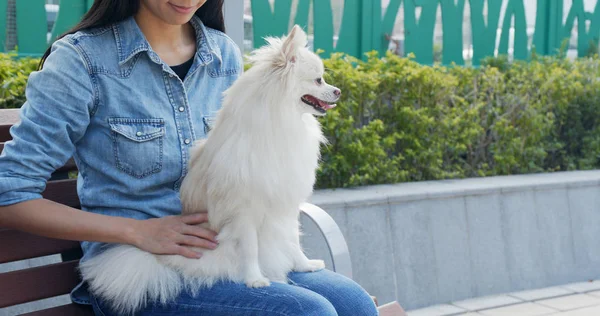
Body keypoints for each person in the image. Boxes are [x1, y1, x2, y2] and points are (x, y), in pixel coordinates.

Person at [0, 1, 378, 315]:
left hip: (231, 251)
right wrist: (137, 232)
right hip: (142, 271)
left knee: (355, 304)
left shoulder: (222, 53)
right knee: (307, 312)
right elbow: (10, 195)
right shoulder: (81, 60)